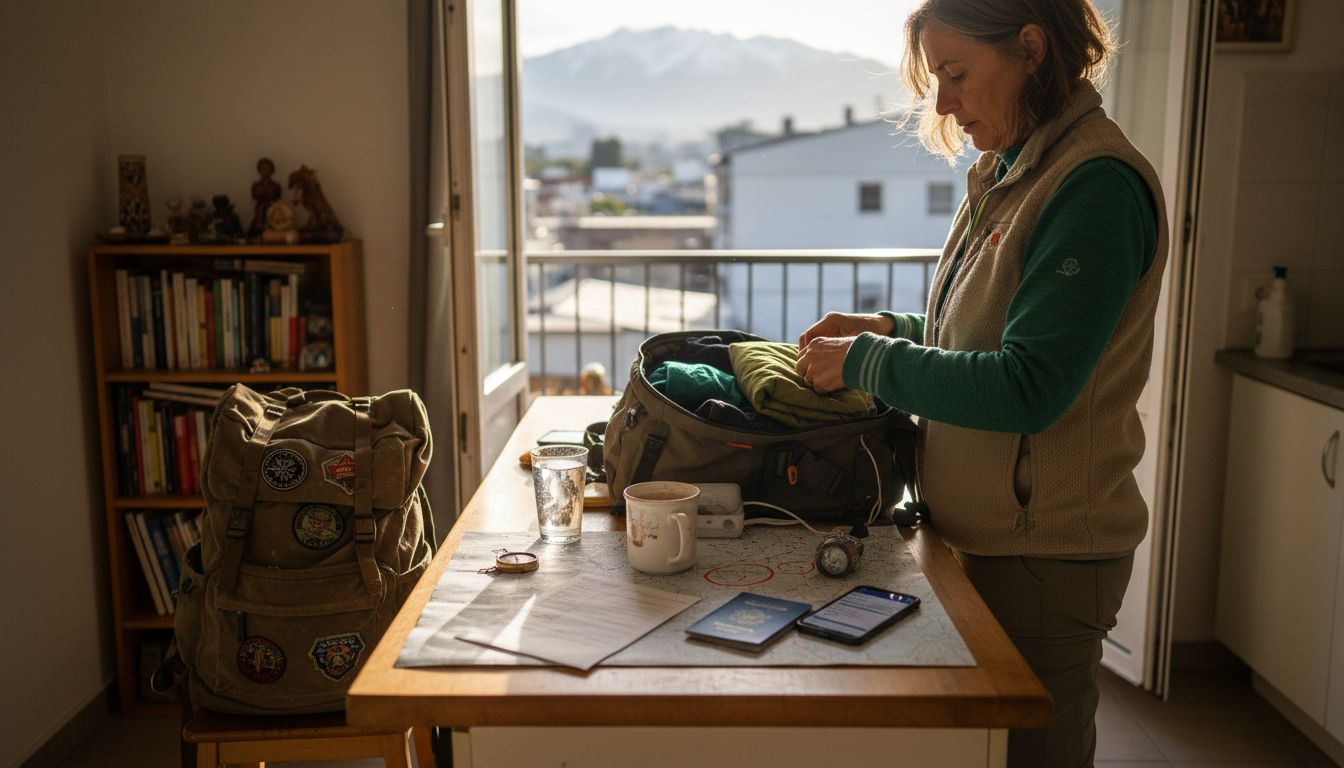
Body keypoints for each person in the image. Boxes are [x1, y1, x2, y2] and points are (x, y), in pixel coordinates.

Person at [794, 2, 1167, 766]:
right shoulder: (1016, 168)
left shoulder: (1093, 186)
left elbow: (1029, 384)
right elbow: (986, 332)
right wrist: (888, 331)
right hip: (987, 542)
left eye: (957, 74)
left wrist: (867, 365)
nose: (944, 103)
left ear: (1030, 49)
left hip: (1044, 559)